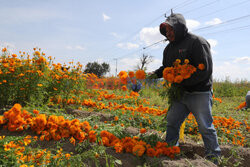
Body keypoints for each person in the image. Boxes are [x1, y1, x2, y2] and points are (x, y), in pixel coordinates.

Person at [149, 12, 221, 162]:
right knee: (172, 123)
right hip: (180, 94)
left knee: (205, 127)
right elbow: (166, 68)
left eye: (170, 29)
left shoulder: (197, 42)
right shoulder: (168, 49)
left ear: (179, 27)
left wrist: (182, 81)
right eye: (166, 31)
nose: (168, 33)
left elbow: (205, 71)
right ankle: (170, 151)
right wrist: (154, 74)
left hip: (199, 93)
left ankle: (214, 159)